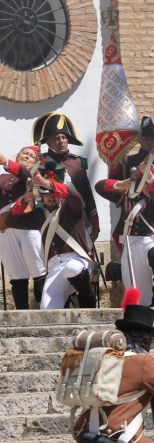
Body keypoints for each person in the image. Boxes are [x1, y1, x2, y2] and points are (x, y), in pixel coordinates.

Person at [73, 287, 154, 443]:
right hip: (119, 437)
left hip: (87, 434)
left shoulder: (104, 356)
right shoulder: (144, 362)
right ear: (148, 338)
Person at [95, 155, 154, 307]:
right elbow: (99, 186)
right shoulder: (127, 195)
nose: (148, 187)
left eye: (150, 182)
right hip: (130, 246)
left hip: (153, 240)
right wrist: (122, 184)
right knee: (139, 300)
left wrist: (148, 175)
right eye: (145, 183)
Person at [5, 164, 95, 309]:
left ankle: (87, 300)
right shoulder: (39, 216)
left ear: (60, 194)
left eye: (54, 193)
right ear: (41, 197)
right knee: (47, 309)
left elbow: (74, 196)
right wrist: (25, 198)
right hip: (54, 268)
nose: (51, 197)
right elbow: (11, 221)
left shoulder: (72, 207)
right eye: (46, 194)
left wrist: (46, 183)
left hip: (77, 260)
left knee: (72, 268)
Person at [32, 112, 100, 240]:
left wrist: (94, 219)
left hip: (77, 218)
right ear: (48, 142)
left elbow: (87, 194)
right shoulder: (40, 163)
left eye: (63, 137)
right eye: (56, 138)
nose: (61, 141)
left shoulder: (78, 162)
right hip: (50, 217)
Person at [112, 116, 154, 242]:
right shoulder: (127, 162)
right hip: (134, 216)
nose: (148, 141)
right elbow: (117, 186)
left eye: (152, 138)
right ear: (139, 140)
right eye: (145, 138)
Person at [0, 148, 47, 308]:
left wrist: (5, 161)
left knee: (38, 268)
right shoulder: (3, 177)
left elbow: (24, 173)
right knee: (16, 273)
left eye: (31, 156)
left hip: (28, 225)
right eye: (24, 153)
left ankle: (44, 309)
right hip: (5, 228)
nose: (26, 156)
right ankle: (21, 311)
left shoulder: (35, 175)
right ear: (17, 156)